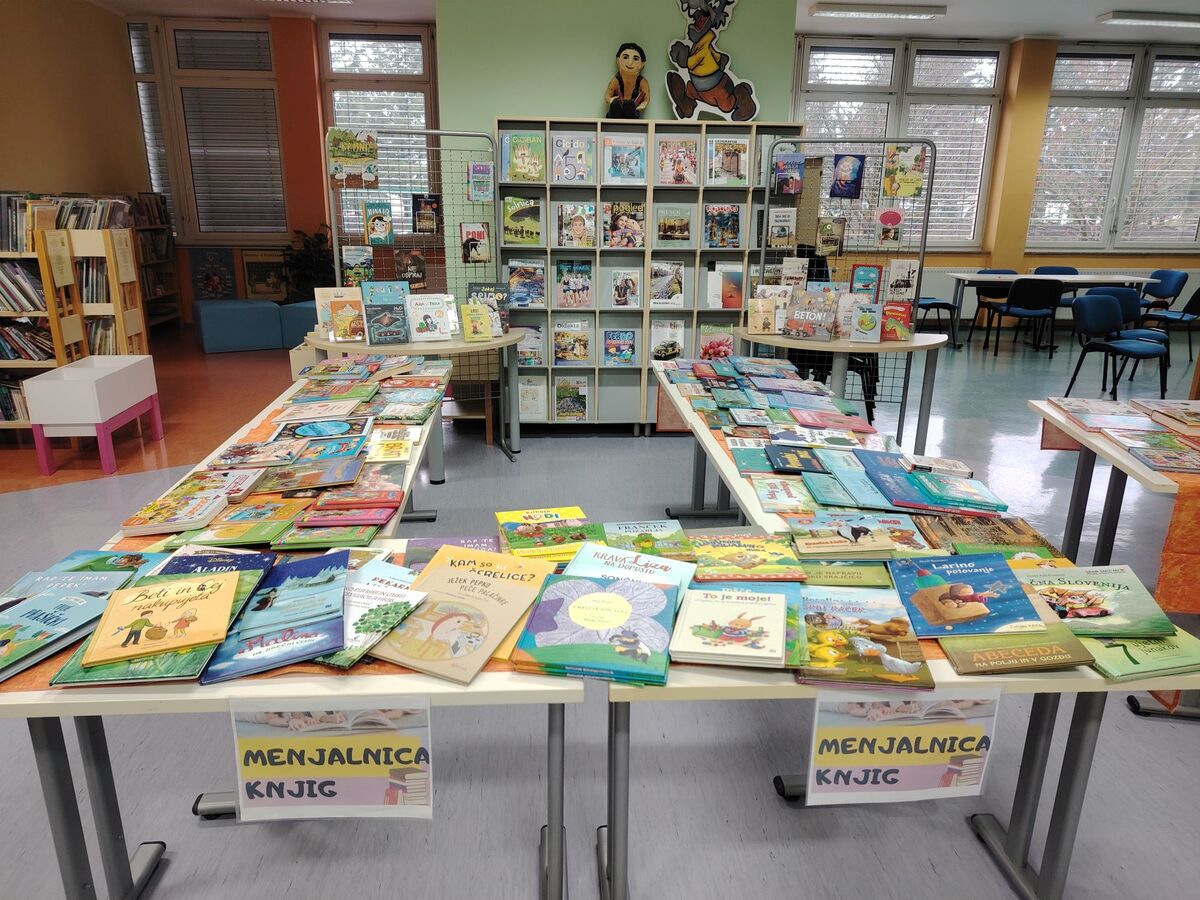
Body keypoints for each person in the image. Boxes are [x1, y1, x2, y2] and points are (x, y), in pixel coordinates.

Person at [604, 42, 649, 119]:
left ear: (642, 63)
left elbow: (646, 99)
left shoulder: (642, 82)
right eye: (625, 57)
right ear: (618, 60)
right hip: (616, 111)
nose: (630, 63)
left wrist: (642, 105)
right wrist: (611, 100)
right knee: (615, 104)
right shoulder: (616, 80)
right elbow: (607, 95)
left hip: (632, 111)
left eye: (635, 59)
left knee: (629, 104)